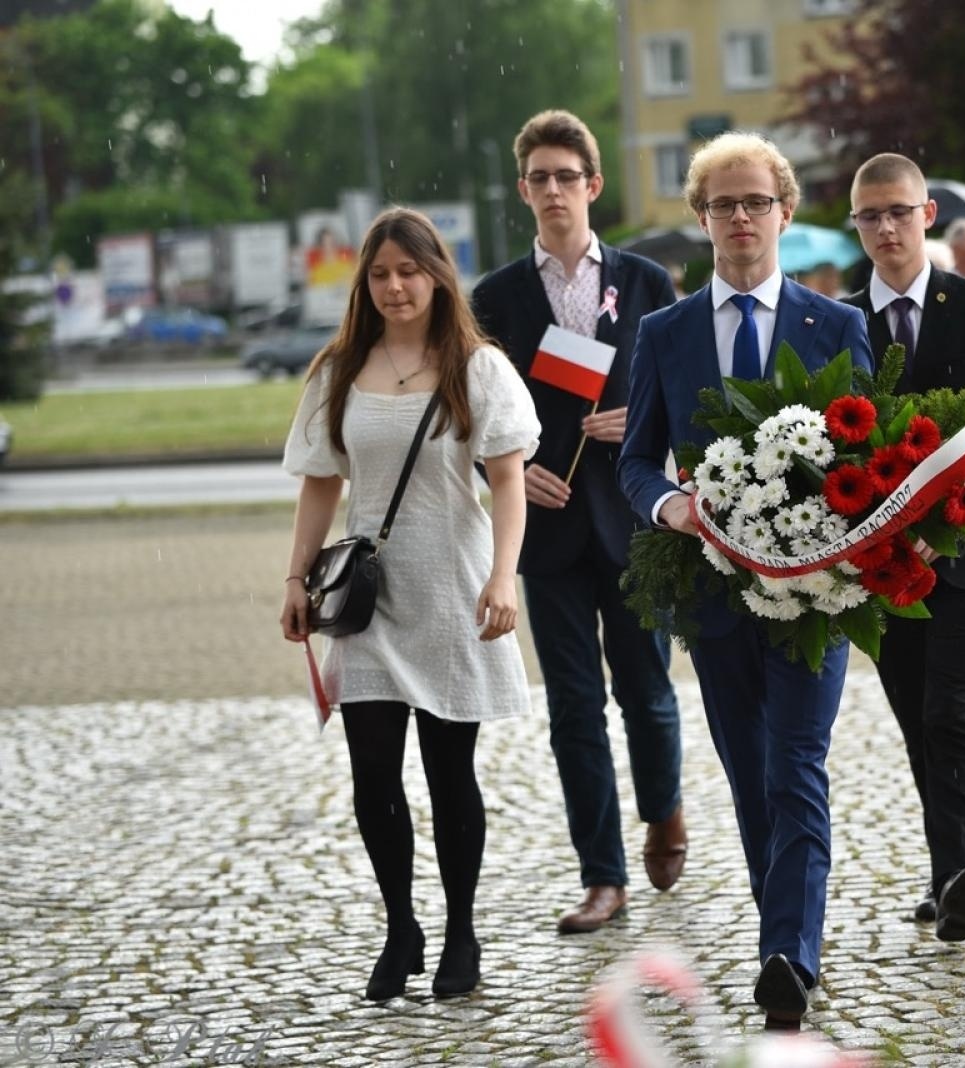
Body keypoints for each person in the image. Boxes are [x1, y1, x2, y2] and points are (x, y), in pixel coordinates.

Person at [617, 131, 871, 1031]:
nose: (739, 218)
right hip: (713, 595)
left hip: (816, 593)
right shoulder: (665, 332)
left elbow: (869, 458)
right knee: (752, 775)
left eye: (755, 201)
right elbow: (637, 460)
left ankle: (786, 957)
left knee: (797, 763)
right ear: (701, 220)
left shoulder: (837, 325)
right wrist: (668, 510)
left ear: (785, 212)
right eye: (722, 204)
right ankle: (785, 935)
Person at [279, 208, 541, 1001]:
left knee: (449, 774)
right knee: (373, 779)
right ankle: (402, 926)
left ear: (436, 276)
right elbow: (321, 481)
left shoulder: (478, 368)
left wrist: (502, 578)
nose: (396, 287)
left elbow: (507, 482)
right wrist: (295, 579)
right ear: (366, 282)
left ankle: (462, 930)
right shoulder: (337, 371)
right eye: (382, 273)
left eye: (410, 271)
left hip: (453, 594)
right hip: (367, 602)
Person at [470, 109, 685, 937]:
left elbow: (678, 399)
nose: (554, 190)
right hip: (547, 530)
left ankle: (664, 809)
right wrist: (514, 474)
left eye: (568, 176)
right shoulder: (496, 298)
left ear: (593, 185)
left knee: (646, 694)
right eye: (539, 179)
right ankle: (604, 876)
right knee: (572, 709)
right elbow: (475, 411)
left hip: (633, 520)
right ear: (523, 191)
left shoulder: (644, 282)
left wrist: (636, 424)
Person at [840, 152, 965, 941]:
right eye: (870, 216)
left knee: (954, 711)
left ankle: (961, 873)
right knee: (918, 719)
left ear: (927, 216)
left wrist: (950, 514)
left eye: (898, 213)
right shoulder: (841, 321)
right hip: (886, 567)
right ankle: (947, 871)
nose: (885, 228)